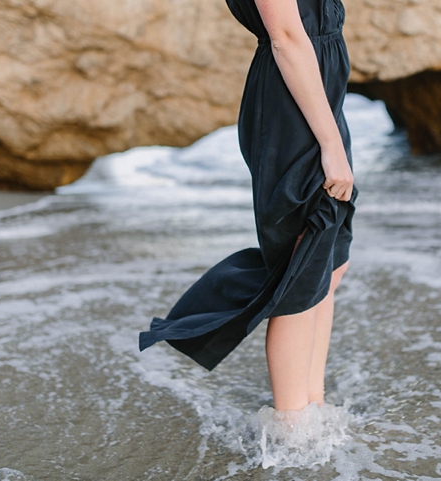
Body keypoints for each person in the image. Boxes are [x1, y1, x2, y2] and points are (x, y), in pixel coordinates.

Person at [139, 0, 356, 413]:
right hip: (293, 107)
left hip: (321, 94)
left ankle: (314, 407)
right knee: (302, 268)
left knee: (330, 261)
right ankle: (292, 432)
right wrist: (329, 144)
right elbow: (287, 37)